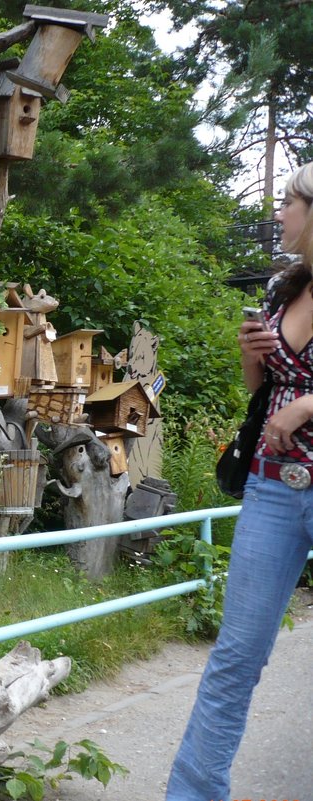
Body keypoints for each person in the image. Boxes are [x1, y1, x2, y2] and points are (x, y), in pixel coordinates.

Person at [166, 163, 313, 800]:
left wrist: (308, 405)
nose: (278, 213)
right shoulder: (285, 289)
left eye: (287, 202)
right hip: (274, 484)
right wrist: (252, 359)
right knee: (236, 656)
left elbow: (299, 397)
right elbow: (263, 392)